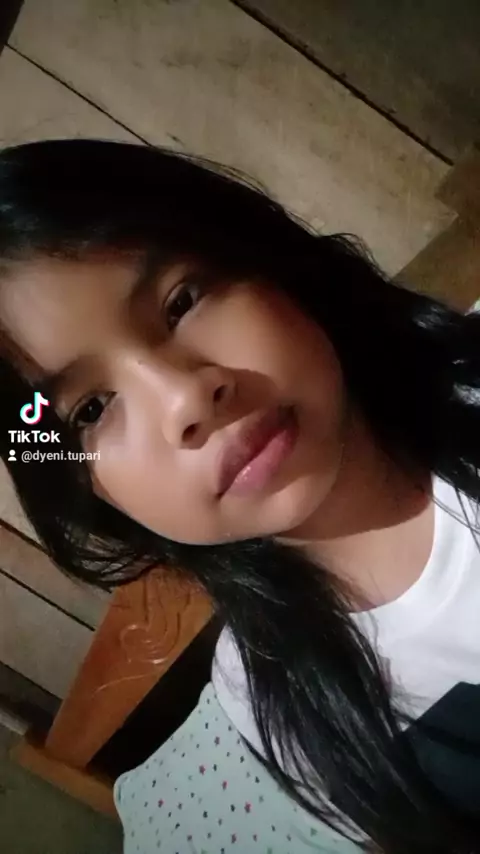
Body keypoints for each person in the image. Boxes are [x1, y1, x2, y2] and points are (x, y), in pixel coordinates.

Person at [0, 138, 479, 854]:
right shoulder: (283, 711)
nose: (186, 398)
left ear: (265, 259)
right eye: (91, 409)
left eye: (182, 301)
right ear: (82, 486)